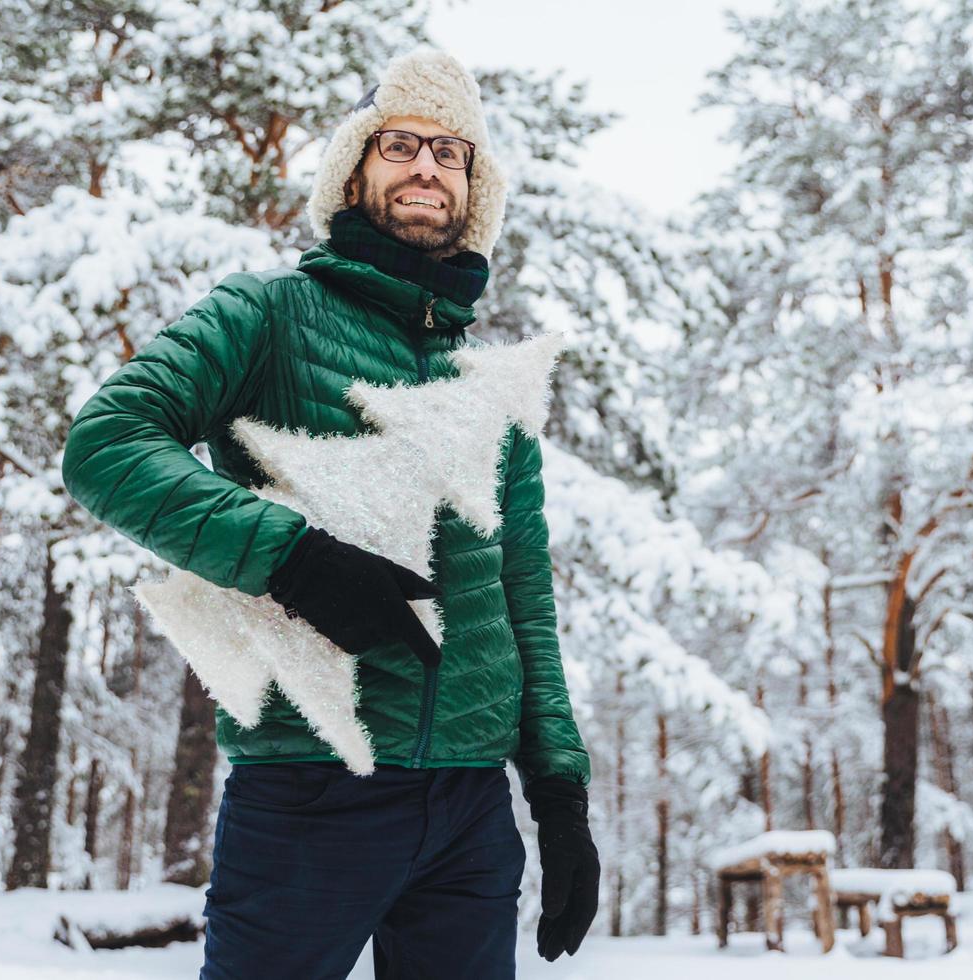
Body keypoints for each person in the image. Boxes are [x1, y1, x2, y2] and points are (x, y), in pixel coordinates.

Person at [60, 46, 599, 979]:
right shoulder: (267, 313)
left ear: (475, 190)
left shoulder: (490, 385)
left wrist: (558, 790)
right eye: (401, 144)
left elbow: (524, 597)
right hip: (310, 789)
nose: (428, 166)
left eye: (452, 152)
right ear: (355, 170)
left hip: (472, 814)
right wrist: (289, 557)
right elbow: (107, 442)